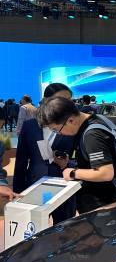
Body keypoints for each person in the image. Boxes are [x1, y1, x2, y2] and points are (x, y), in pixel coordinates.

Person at [37, 96, 116, 214]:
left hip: (101, 205)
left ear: (71, 120)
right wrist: (68, 163)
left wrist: (72, 173)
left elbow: (106, 173)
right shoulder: (96, 119)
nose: (60, 133)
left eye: (57, 129)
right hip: (105, 199)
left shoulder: (92, 135)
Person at [13, 83, 77, 223]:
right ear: (47, 100)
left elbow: (83, 160)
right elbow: (21, 159)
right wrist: (17, 190)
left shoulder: (74, 125)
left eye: (69, 99)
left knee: (65, 229)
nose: (67, 104)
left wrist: (68, 163)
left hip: (64, 184)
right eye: (62, 99)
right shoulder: (30, 125)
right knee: (32, 228)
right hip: (34, 185)